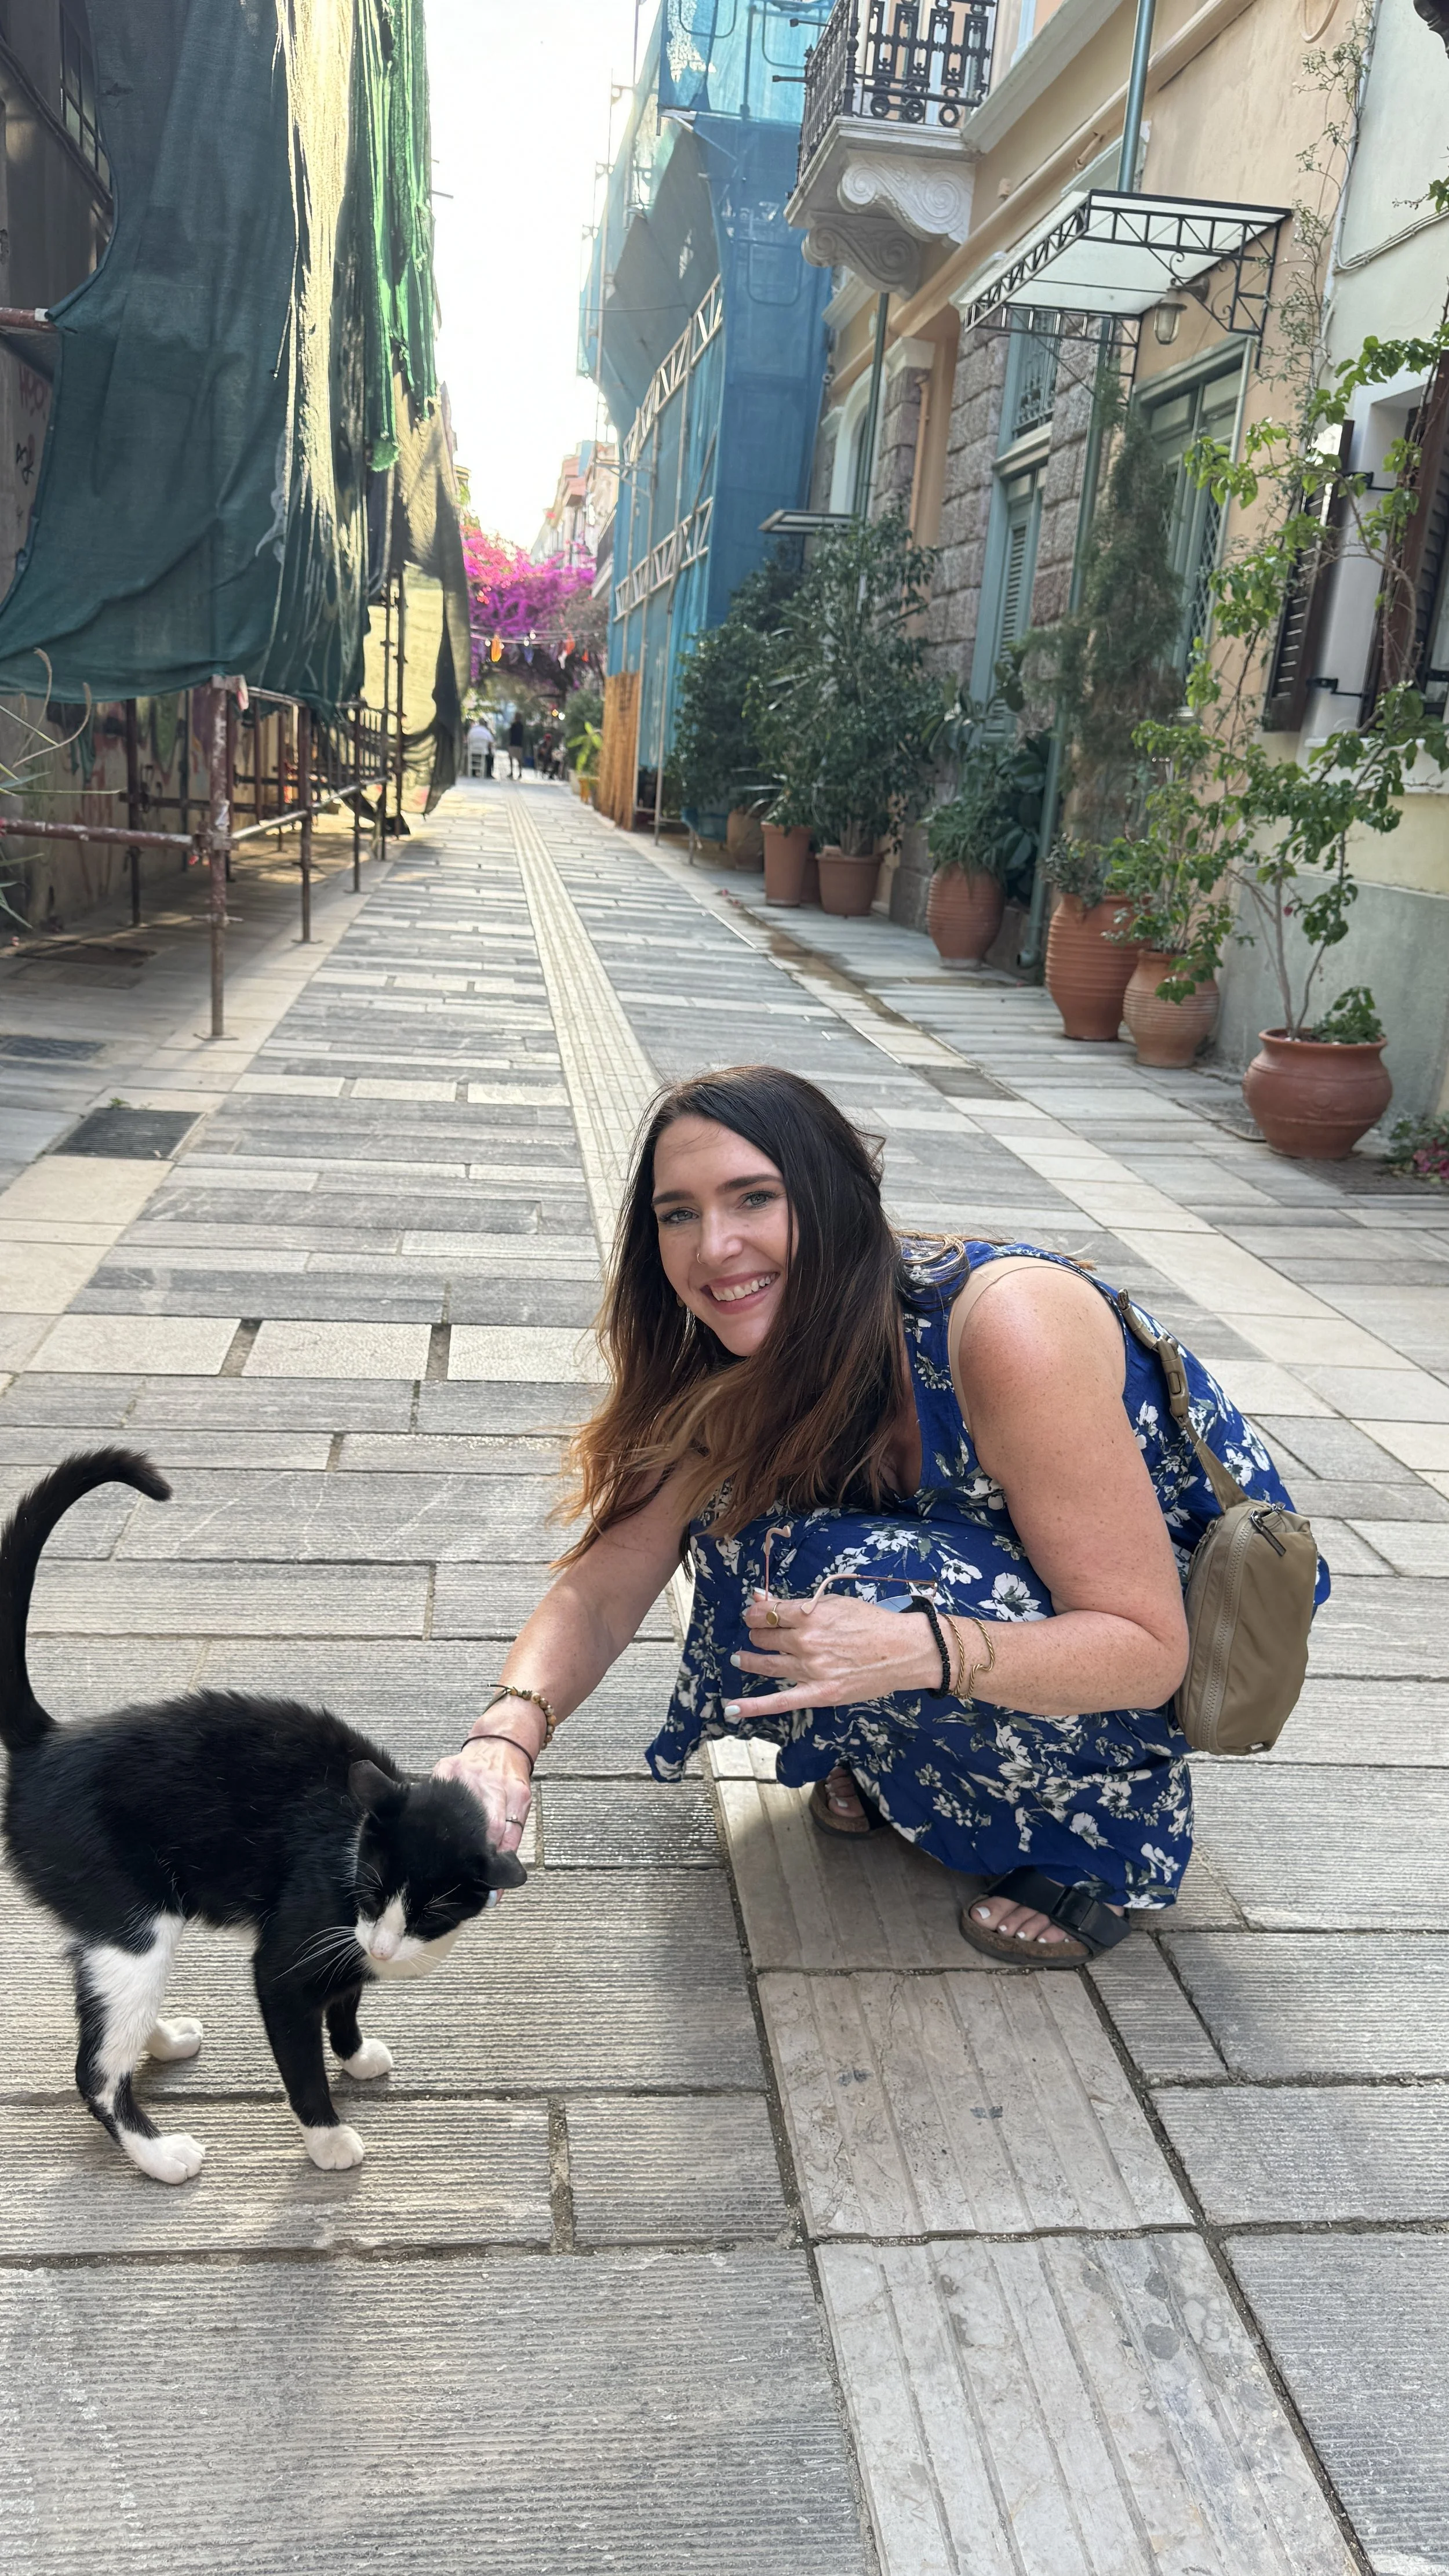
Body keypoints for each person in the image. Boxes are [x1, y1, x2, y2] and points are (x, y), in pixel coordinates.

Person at [436, 1067, 1326, 1964]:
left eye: (754, 1199)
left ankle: (1105, 1842)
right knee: (775, 1550)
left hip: (1164, 1634)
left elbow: (1149, 1648)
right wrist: (504, 1739)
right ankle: (910, 1769)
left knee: (873, 1589)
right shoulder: (747, 1354)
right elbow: (606, 1581)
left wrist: (917, 1650)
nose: (714, 1247)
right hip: (1006, 1588)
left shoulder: (1007, 1328)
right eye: (678, 1214)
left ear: (835, 1199)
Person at [466, 716, 493, 780]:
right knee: (491, 757)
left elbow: (468, 740)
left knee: (473, 757)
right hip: (483, 752)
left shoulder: (472, 730)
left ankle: (473, 772)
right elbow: (491, 743)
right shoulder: (487, 732)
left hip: (473, 751)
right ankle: (488, 773)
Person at [507, 714, 524, 780]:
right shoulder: (518, 726)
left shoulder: (516, 725)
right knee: (513, 759)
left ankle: (519, 773)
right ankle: (513, 772)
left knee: (518, 760)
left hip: (516, 744)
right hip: (516, 744)